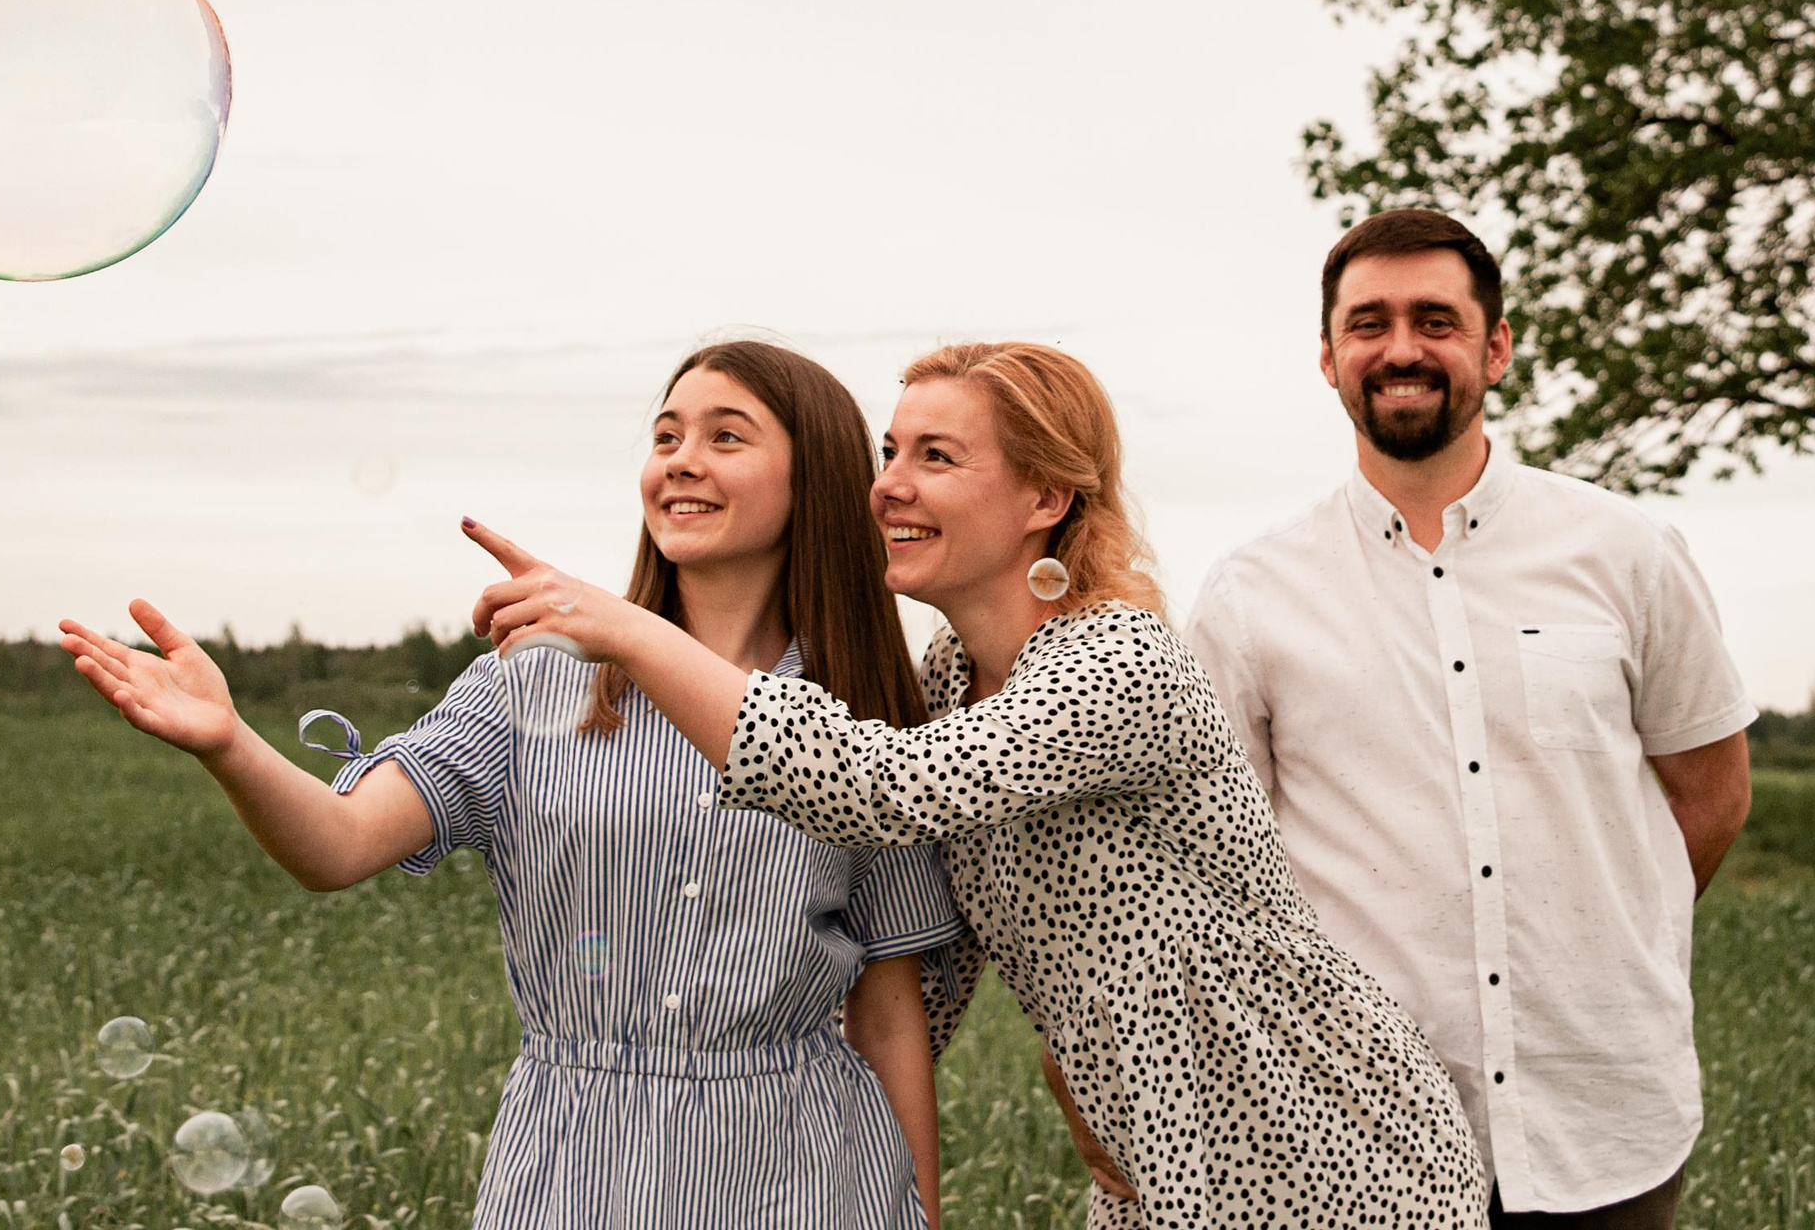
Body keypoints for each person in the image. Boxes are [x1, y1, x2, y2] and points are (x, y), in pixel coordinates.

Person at [467, 340, 1491, 1230]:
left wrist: (628, 629)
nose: (888, 485)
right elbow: (930, 962)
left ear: (1046, 498)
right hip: (1151, 1149)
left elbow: (877, 786)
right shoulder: (952, 678)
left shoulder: (1117, 662)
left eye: (936, 456)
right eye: (890, 452)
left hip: (1327, 1140)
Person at [57, 340, 959, 1230]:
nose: (682, 461)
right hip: (574, 1171)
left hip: (803, 1176)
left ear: (816, 478)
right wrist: (228, 744)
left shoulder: (861, 726)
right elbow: (338, 844)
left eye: (726, 436)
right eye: (666, 436)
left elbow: (888, 1017)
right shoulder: (532, 683)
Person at [1184, 210, 1756, 1229]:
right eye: (1368, 323)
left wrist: (1608, 946)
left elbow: (1711, 793)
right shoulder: (1248, 594)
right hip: (1358, 1139)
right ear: (1328, 357)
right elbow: (1222, 868)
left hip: (1606, 1122)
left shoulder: (1627, 551)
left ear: (1495, 348)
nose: (1401, 348)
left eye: (1435, 320)